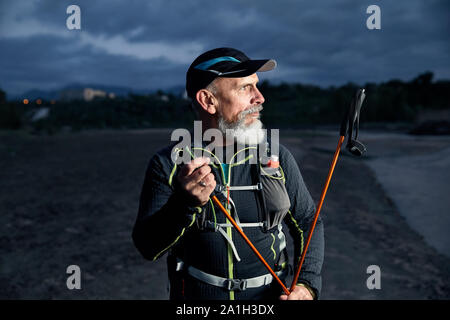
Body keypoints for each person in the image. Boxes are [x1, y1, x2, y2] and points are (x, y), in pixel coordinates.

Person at [132, 47, 324, 300]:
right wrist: (183, 204)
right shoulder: (167, 164)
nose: (260, 97)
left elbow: (308, 221)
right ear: (208, 101)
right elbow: (148, 246)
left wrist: (307, 285)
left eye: (256, 86)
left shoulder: (278, 156)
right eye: (245, 88)